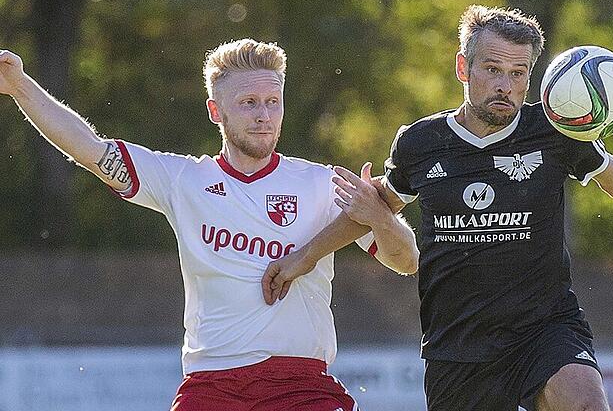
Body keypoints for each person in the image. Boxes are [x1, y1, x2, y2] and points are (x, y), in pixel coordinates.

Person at [261, 5, 613, 411]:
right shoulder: (421, 142)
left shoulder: (553, 130)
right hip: (459, 343)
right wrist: (301, 258)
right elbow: (370, 210)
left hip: (543, 326)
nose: (506, 85)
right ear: (464, 68)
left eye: (518, 73)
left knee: (585, 402)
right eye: (493, 70)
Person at [0, 39, 418, 411]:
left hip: (301, 386)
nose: (264, 116)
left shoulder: (322, 183)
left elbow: (407, 261)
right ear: (215, 110)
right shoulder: (185, 181)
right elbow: (92, 151)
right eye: (249, 103)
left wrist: (382, 217)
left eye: (273, 102)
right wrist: (19, 85)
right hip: (211, 386)